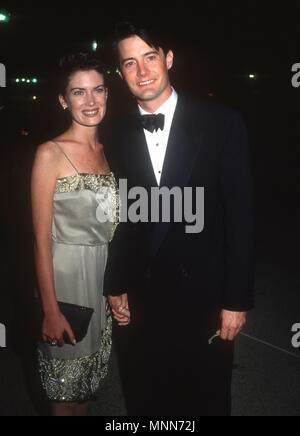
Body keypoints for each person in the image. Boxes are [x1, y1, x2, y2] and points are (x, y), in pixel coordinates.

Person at [104, 21, 255, 416]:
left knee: (207, 397)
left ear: (168, 59)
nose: (142, 72)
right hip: (141, 299)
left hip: (204, 297)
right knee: (147, 398)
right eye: (130, 63)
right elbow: (122, 218)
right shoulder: (117, 134)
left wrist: (236, 300)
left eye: (150, 57)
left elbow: (241, 219)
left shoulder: (222, 123)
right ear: (120, 73)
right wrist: (115, 283)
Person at [31, 52, 121, 416]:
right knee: (64, 393)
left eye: (97, 90)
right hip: (65, 283)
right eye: (78, 92)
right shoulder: (49, 153)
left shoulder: (109, 151)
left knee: (85, 389)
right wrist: (50, 310)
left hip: (100, 283)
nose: (90, 101)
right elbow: (39, 241)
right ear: (62, 99)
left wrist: (119, 287)